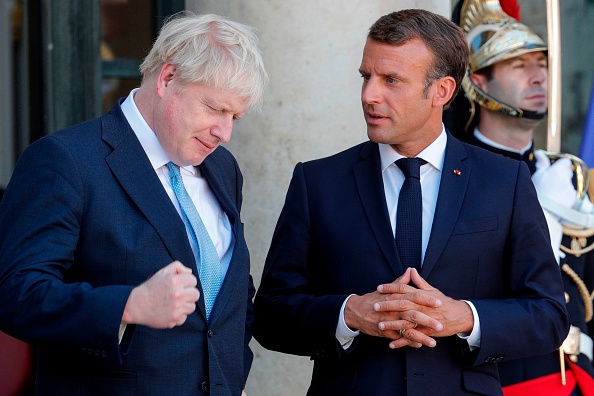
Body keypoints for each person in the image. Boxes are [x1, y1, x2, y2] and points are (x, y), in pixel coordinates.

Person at [253, 8, 569, 395]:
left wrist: (466, 318)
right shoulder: (317, 182)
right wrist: (348, 314)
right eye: (366, 77)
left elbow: (550, 315)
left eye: (391, 80)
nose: (370, 95)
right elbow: (269, 315)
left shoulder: (506, 181)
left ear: (442, 91)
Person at [0, 12, 267, 396]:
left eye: (235, 116)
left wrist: (230, 376)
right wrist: (129, 305)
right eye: (215, 109)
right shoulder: (65, 160)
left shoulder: (222, 168)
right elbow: (16, 294)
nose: (224, 132)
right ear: (167, 78)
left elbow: (232, 296)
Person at [444, 0, 594, 394]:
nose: (538, 77)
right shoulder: (450, 176)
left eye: (541, 64)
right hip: (495, 381)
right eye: (518, 65)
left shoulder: (569, 176)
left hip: (574, 378)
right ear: (477, 82)